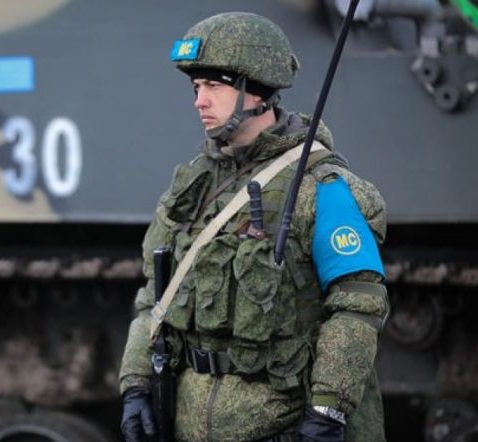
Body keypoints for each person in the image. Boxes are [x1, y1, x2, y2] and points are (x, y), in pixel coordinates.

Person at [119, 11, 389, 442]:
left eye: (214, 85)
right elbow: (154, 298)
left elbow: (358, 305)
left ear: (256, 90)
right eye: (196, 87)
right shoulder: (195, 187)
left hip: (282, 426)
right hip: (190, 425)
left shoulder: (318, 186)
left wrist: (328, 409)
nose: (199, 101)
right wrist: (135, 382)